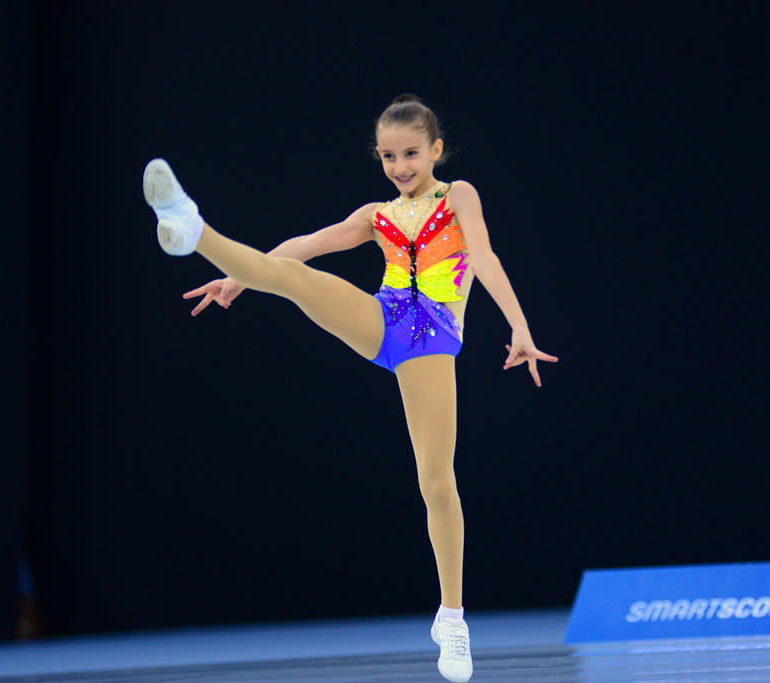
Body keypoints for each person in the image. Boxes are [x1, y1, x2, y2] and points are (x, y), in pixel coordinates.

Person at [142, 94, 558, 682]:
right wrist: (237, 278)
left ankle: (452, 618)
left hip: (433, 336)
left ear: (435, 150)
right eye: (389, 156)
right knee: (295, 277)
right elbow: (304, 245)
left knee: (436, 482)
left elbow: (484, 257)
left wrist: (518, 324)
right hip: (382, 319)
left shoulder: (458, 195)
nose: (400, 166)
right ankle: (193, 226)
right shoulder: (374, 214)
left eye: (411, 153)